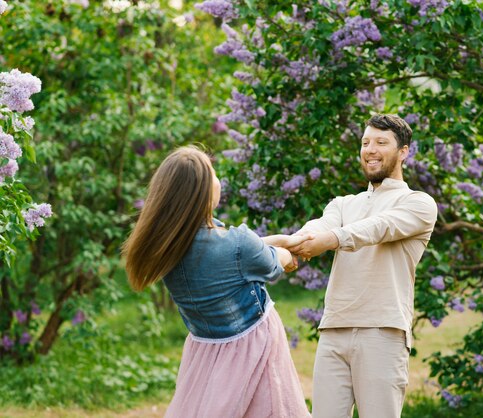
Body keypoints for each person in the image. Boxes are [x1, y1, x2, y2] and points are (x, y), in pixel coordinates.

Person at [122, 146, 312, 418]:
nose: (218, 179)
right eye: (212, 172)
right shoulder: (237, 245)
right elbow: (271, 263)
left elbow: (240, 253)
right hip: (253, 350)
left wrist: (282, 240)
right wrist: (285, 252)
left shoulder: (167, 246)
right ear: (200, 191)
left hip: (206, 351)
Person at [288, 114, 438, 418]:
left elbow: (378, 228)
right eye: (365, 142)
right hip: (333, 329)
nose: (370, 149)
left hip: (382, 332)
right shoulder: (343, 204)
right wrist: (293, 242)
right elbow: (318, 227)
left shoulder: (418, 203)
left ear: (404, 152)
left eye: (381, 142)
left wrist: (329, 239)